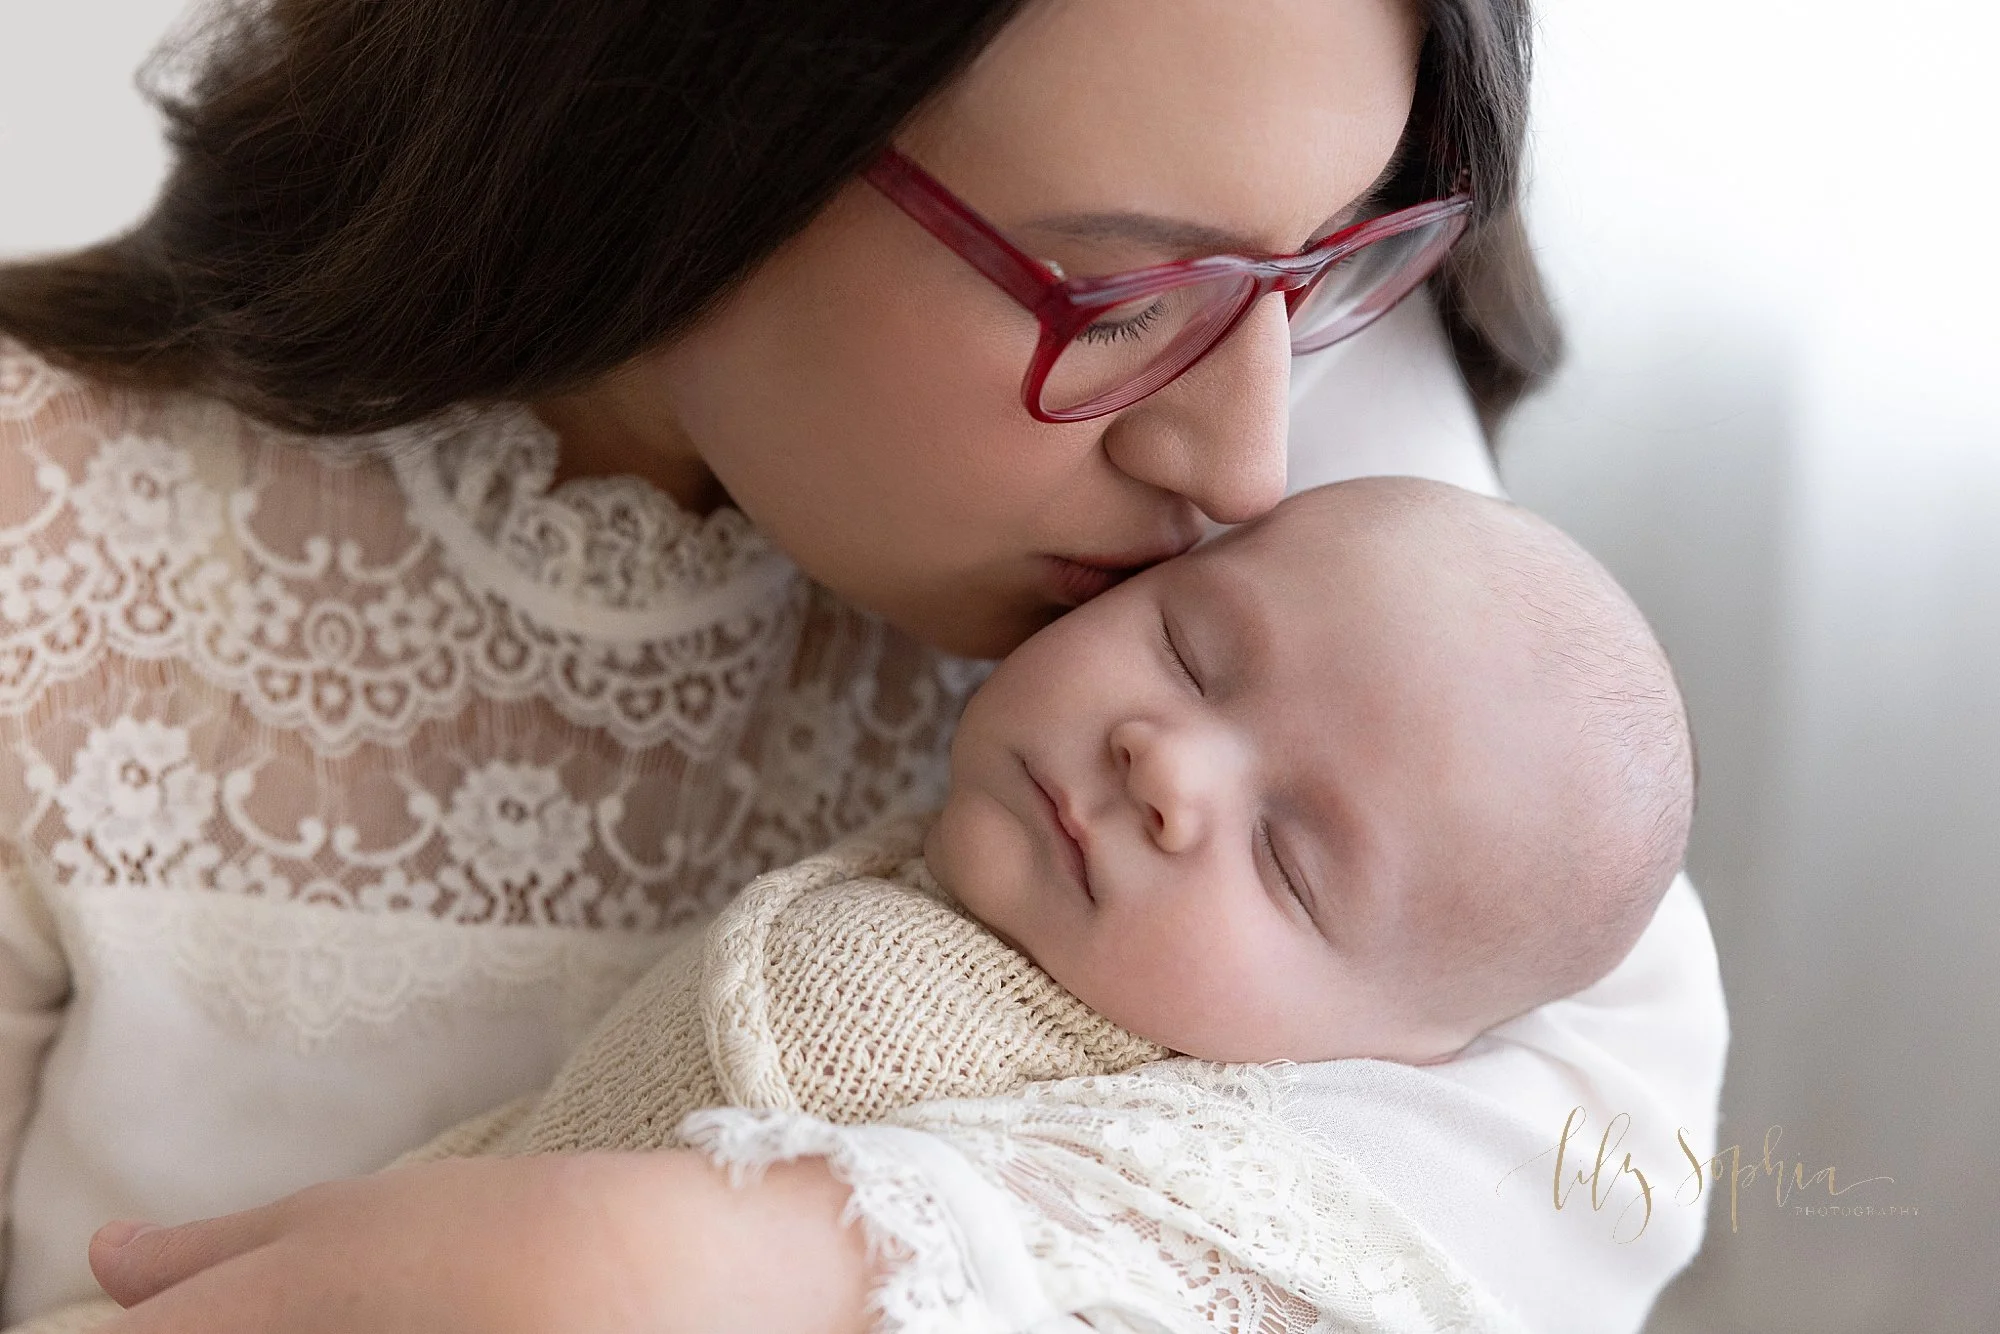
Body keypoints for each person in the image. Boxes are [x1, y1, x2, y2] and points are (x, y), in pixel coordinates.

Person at [0, 1, 1727, 1331]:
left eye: (1332, 260)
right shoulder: (52, 535)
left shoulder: (1272, 503)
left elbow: (1591, 1128)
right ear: (676, 119)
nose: (1249, 464)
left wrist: (713, 1256)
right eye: (1122, 298)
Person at [384, 477, 1691, 1175]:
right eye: (1188, 648)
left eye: (1284, 855)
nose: (1164, 762)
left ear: (1394, 1054)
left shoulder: (1123, 1181)